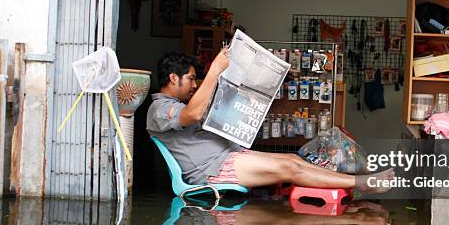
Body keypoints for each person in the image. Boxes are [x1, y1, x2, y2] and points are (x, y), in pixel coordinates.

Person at [147, 50, 393, 192]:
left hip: (229, 156)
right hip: (213, 170)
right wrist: (214, 71)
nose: (194, 84)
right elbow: (193, 115)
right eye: (190, 79)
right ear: (172, 78)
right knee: (290, 169)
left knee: (294, 159)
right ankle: (361, 183)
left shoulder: (178, 105)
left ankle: (360, 180)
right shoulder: (159, 109)